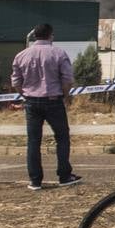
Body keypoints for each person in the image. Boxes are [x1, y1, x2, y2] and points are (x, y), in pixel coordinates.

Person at [11, 23, 81, 191]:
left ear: (35, 35)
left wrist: (25, 95)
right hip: (53, 100)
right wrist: (64, 95)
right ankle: (64, 176)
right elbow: (67, 79)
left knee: (33, 141)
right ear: (51, 35)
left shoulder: (21, 55)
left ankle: (35, 181)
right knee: (62, 138)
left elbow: (16, 82)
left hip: (31, 102)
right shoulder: (59, 53)